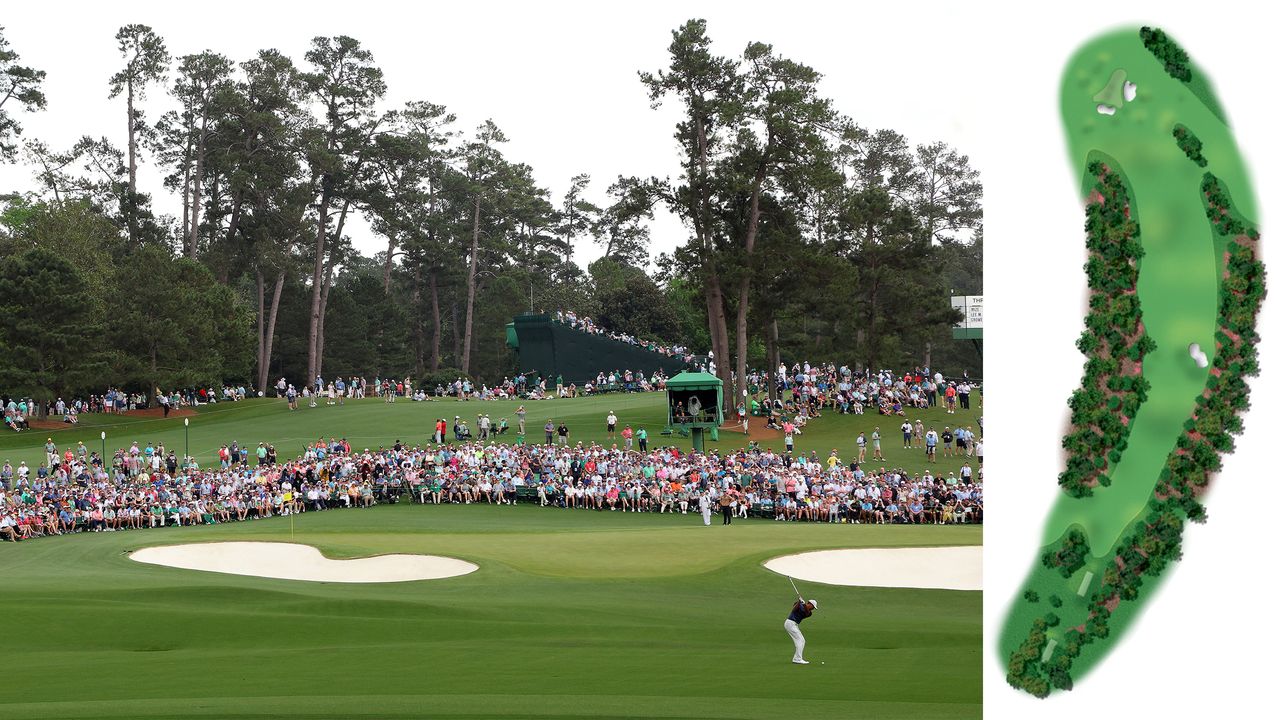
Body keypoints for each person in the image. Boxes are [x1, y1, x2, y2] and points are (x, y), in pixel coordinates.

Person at [784, 596, 818, 664]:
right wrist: (799, 602)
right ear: (810, 604)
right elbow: (794, 609)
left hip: (793, 625)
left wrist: (803, 604)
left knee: (801, 641)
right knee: (800, 640)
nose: (813, 609)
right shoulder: (800, 605)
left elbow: (806, 612)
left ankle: (797, 658)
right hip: (790, 623)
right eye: (813, 607)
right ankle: (797, 659)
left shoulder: (809, 613)